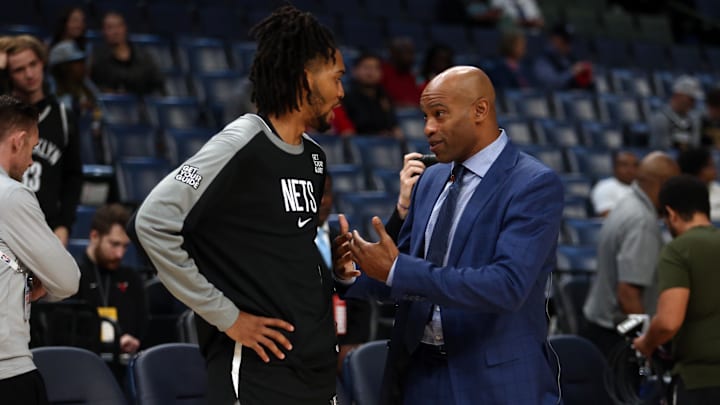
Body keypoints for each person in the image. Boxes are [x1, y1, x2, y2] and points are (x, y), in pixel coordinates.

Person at [130, 6, 345, 404]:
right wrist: (227, 317)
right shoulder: (242, 141)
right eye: (336, 78)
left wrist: (341, 274)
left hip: (314, 367)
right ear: (305, 79)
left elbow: (283, 254)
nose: (341, 93)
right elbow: (152, 221)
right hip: (257, 370)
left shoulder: (314, 158)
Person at [334, 66, 564, 404]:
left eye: (439, 115)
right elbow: (408, 270)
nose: (427, 128)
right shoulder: (430, 179)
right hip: (418, 374)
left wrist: (396, 269)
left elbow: (506, 286)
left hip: (493, 380)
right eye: (425, 116)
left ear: (479, 110)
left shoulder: (532, 183)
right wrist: (357, 273)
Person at [0, 95, 80, 405]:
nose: (32, 161)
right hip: (8, 372)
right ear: (18, 141)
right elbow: (68, 280)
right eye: (32, 149)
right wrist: (40, 279)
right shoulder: (12, 196)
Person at [582, 152, 680, 358]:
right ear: (663, 184)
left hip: (602, 328)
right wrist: (646, 345)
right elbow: (628, 294)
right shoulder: (642, 221)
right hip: (616, 335)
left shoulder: (627, 205)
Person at [633, 175, 720, 404]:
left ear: (671, 213)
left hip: (700, 382)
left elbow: (668, 322)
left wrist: (646, 343)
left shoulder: (678, 250)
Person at [6, 35, 83, 246]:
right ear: (9, 75)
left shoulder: (63, 117)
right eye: (19, 70)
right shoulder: (3, 116)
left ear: (43, 63)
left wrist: (65, 225)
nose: (29, 74)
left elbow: (73, 177)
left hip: (46, 228)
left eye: (33, 64)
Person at [70, 204, 146, 355]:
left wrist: (132, 341)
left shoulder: (132, 279)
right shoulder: (74, 276)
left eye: (125, 246)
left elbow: (141, 328)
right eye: (114, 244)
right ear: (94, 236)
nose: (120, 254)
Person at [315, 174, 372, 374]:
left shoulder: (342, 241)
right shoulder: (285, 242)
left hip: (343, 341)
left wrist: (352, 342)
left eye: (327, 193)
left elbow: (360, 300)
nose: (322, 200)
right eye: (316, 193)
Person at [91, 11, 165, 96]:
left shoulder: (143, 57)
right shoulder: (97, 60)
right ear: (103, 31)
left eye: (119, 26)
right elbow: (91, 87)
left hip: (141, 106)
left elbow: (158, 84)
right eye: (110, 28)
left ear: (125, 28)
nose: (115, 32)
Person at [333, 52, 401, 137]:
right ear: (354, 71)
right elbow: (347, 131)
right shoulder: (346, 98)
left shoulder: (384, 97)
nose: (371, 72)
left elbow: (393, 125)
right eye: (366, 68)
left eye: (376, 68)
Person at [649, 75, 704, 151]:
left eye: (694, 100)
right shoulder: (661, 118)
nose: (693, 103)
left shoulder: (694, 119)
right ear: (678, 96)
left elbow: (695, 145)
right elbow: (660, 148)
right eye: (690, 99)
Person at [533, 23, 593, 91]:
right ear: (555, 39)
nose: (569, 45)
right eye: (566, 41)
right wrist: (572, 72)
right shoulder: (542, 61)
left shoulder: (569, 58)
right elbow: (552, 84)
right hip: (551, 100)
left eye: (571, 41)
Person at [590, 150, 639, 217]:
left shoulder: (644, 187)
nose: (630, 170)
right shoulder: (604, 187)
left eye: (635, 165)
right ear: (615, 168)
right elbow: (610, 218)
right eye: (624, 165)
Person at [676, 147, 720, 221]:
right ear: (698, 170)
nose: (715, 170)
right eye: (710, 166)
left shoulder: (717, 190)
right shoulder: (678, 194)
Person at [381, 37, 422, 108]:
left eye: (411, 52)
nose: (409, 57)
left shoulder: (412, 75)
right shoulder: (382, 72)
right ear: (394, 53)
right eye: (404, 52)